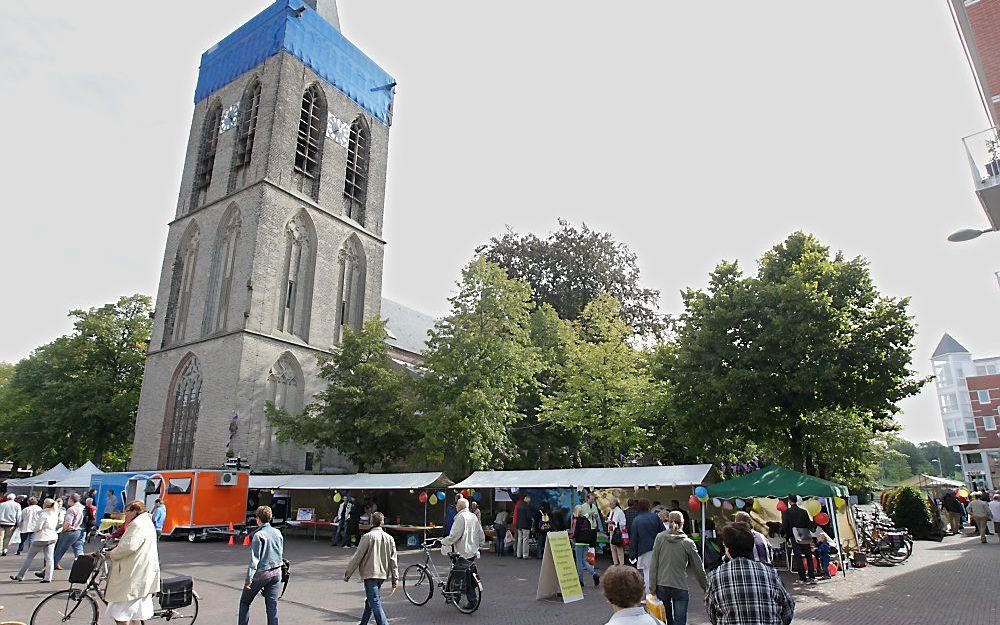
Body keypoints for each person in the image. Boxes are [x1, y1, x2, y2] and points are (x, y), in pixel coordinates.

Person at [705, 523, 795, 625]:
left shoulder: (714, 576)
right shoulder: (770, 573)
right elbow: (788, 606)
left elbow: (711, 613)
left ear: (728, 549)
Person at [105, 500, 161, 625]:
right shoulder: (145, 521)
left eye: (127, 511)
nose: (125, 514)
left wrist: (111, 554)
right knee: (135, 611)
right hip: (142, 570)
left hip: (134, 573)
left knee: (121, 612)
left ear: (135, 511)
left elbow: (129, 546)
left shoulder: (137, 525)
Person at [648, 511, 707, 625]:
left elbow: (654, 564)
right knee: (680, 621)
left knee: (664, 620)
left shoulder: (660, 538)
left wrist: (652, 588)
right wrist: (706, 587)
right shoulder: (688, 542)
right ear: (683, 523)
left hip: (662, 584)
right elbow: (698, 568)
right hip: (680, 585)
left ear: (668, 522)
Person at [345, 511, 398, 625]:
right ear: (382, 523)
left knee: (374, 601)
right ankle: (363, 623)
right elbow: (393, 561)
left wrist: (348, 573)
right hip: (382, 574)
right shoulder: (390, 538)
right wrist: (395, 579)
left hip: (370, 574)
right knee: (371, 600)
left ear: (371, 522)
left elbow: (358, 556)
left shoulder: (367, 537)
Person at [239, 505, 283, 625]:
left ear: (258, 519)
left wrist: (248, 579)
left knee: (245, 602)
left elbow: (254, 560)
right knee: (272, 607)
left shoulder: (258, 535)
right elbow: (280, 552)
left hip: (262, 573)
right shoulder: (277, 532)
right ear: (270, 518)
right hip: (277, 572)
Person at [441, 498, 486, 607]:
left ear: (459, 507)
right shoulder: (473, 516)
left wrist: (444, 541)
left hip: (462, 551)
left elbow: (454, 535)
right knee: (460, 572)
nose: (456, 507)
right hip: (472, 551)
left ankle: (470, 600)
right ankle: (453, 596)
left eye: (457, 506)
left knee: (462, 575)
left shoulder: (460, 517)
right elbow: (480, 532)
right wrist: (481, 543)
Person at [9, 498, 58, 583]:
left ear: (45, 504)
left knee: (29, 557)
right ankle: (48, 577)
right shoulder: (55, 513)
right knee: (49, 558)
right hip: (52, 537)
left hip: (41, 537)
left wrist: (34, 529)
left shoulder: (43, 514)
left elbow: (38, 527)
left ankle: (20, 576)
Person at [781, 496, 816, 585]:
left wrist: (787, 536)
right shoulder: (803, 511)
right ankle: (812, 576)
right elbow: (809, 524)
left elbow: (786, 525)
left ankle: (802, 577)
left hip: (794, 536)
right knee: (808, 555)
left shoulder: (787, 512)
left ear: (789, 501)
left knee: (798, 556)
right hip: (804, 535)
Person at [631, 499, 664, 594]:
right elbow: (662, 533)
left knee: (647, 573)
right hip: (657, 548)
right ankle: (657, 593)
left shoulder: (636, 520)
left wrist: (632, 554)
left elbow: (634, 538)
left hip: (644, 550)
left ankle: (649, 595)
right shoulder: (655, 517)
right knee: (657, 572)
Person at [52, 492, 85, 570]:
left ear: (71, 499)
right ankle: (83, 566)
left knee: (59, 551)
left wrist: (63, 531)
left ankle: (48, 570)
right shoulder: (82, 507)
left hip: (70, 532)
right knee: (79, 549)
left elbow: (68, 524)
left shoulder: (71, 509)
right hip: (80, 531)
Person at [570, 505, 600, 587]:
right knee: (584, 561)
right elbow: (590, 531)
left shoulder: (576, 520)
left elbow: (575, 532)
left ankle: (580, 580)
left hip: (579, 542)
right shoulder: (586, 520)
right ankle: (594, 574)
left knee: (579, 562)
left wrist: (571, 537)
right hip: (586, 542)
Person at [607, 496, 627, 566]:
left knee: (619, 548)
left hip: (617, 532)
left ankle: (621, 563)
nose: (609, 505)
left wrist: (614, 523)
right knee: (612, 548)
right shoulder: (611, 511)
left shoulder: (620, 512)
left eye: (610, 504)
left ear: (615, 504)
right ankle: (615, 562)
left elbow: (623, 522)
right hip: (611, 531)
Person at [514, 494, 533, 559]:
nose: (530, 499)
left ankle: (519, 554)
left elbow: (517, 517)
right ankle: (525, 554)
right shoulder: (527, 507)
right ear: (526, 499)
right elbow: (528, 517)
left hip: (519, 525)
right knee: (525, 540)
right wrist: (531, 523)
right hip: (526, 525)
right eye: (529, 498)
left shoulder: (520, 507)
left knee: (520, 539)